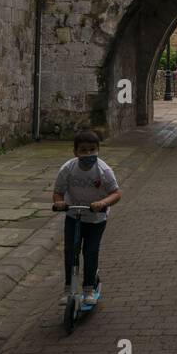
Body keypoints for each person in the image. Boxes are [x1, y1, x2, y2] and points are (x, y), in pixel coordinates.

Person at [52, 130, 121, 306]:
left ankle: (89, 288)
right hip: (74, 215)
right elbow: (58, 192)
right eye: (83, 150)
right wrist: (59, 203)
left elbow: (116, 193)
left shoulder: (104, 171)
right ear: (75, 152)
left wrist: (103, 203)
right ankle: (69, 288)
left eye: (92, 150)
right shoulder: (68, 169)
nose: (88, 154)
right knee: (71, 251)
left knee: (90, 252)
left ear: (98, 150)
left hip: (96, 219)